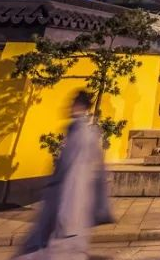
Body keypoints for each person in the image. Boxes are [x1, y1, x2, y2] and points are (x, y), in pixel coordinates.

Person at [15, 90, 113, 260]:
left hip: (69, 199)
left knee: (58, 246)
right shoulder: (82, 131)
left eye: (73, 104)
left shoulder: (81, 134)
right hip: (71, 199)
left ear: (80, 106)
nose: (69, 108)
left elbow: (74, 172)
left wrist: (64, 207)